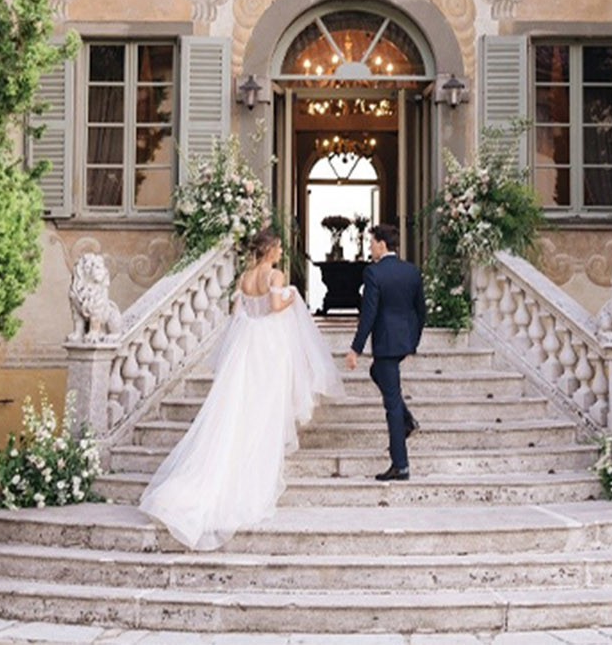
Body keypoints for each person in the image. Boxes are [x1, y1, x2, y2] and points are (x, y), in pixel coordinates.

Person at [140, 228, 343, 550]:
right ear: (271, 250)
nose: (279, 253)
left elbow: (239, 315)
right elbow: (276, 307)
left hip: (246, 348)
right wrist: (292, 295)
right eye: (277, 248)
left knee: (240, 406)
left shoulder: (245, 277)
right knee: (264, 407)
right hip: (268, 349)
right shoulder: (274, 276)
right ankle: (251, 475)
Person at [344, 223, 427, 481]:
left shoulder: (373, 273)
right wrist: (413, 342)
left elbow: (368, 314)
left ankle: (400, 465)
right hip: (403, 341)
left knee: (391, 403)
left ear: (382, 244)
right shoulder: (411, 271)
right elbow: (421, 311)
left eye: (372, 243)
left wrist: (355, 348)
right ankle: (407, 420)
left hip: (386, 343)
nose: (370, 247)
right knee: (376, 372)